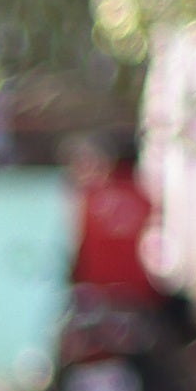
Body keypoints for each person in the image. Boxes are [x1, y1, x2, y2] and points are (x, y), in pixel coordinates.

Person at [73, 129, 158, 302]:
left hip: (98, 286)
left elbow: (81, 244)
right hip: (140, 289)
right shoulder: (148, 195)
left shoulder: (92, 195)